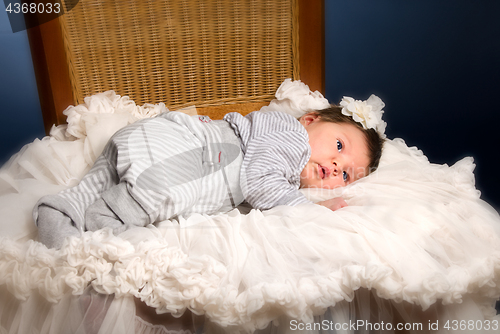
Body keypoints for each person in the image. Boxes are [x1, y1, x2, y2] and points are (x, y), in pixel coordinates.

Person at [33, 95, 386, 249]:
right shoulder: (292, 138)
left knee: (99, 182)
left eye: (346, 176)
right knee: (165, 191)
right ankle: (104, 217)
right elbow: (261, 181)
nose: (337, 167)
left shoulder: (289, 161)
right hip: (193, 151)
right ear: (310, 120)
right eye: (339, 147)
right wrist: (312, 210)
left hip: (151, 143)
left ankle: (62, 209)